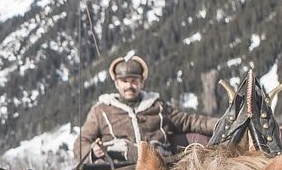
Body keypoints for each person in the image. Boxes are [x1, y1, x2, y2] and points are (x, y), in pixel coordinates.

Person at [75, 52, 218, 163]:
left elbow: (190, 121)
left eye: (134, 81)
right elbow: (80, 142)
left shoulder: (157, 106)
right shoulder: (102, 111)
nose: (129, 86)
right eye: (124, 81)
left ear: (141, 83)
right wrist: (93, 151)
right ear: (117, 84)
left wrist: (224, 123)